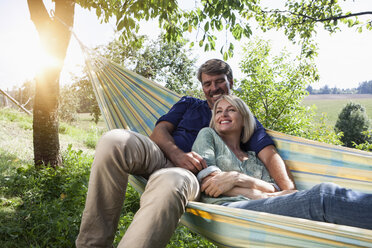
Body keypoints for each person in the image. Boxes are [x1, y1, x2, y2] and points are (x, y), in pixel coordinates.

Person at [76, 59, 295, 248]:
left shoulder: (240, 117)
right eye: (207, 83)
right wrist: (178, 155)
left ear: (231, 82)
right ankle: (92, 244)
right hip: (160, 155)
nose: (213, 88)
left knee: (172, 180)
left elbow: (269, 153)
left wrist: (289, 190)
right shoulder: (189, 104)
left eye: (219, 81)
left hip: (193, 176)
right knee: (114, 140)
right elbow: (159, 132)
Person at [192, 95, 372, 230]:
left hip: (261, 207)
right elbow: (210, 184)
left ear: (244, 119)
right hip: (229, 212)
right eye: (218, 111)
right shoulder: (207, 135)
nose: (223, 114)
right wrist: (262, 195)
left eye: (231, 109)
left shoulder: (253, 158)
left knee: (325, 198)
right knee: (322, 196)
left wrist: (237, 179)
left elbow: (275, 189)